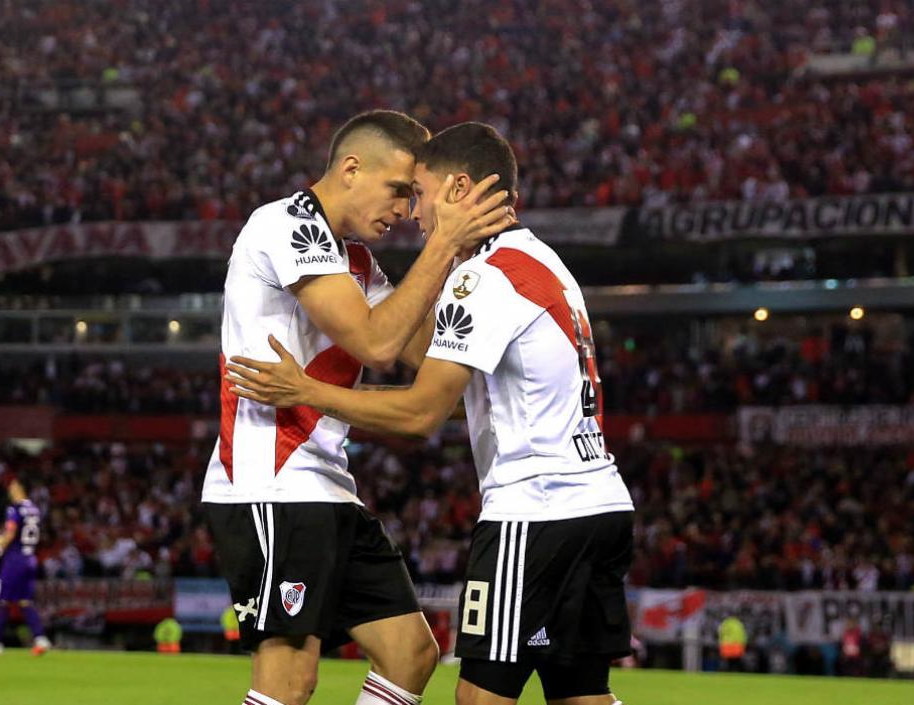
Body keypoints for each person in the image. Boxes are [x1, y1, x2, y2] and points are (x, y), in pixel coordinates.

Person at [226, 122, 635, 705]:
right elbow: (422, 354)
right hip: (600, 502)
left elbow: (414, 398)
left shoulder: (484, 276)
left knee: (476, 698)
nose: (411, 212)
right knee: (576, 690)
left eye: (416, 192)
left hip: (536, 508)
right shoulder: (542, 262)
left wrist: (304, 391)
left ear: (459, 188)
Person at [202, 109, 515, 705]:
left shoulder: (358, 261)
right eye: (399, 190)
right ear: (351, 169)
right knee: (291, 676)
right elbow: (374, 342)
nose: (405, 210)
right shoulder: (286, 224)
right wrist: (444, 242)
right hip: (271, 484)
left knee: (412, 654)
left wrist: (478, 282)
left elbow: (422, 352)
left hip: (325, 488)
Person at [0, 479, 51, 656]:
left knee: (2, 599)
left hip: (15, 560)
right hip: (30, 559)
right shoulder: (35, 510)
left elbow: (10, 534)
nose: (10, 490)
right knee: (24, 601)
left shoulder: (15, 509)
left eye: (13, 487)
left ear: (20, 489)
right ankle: (41, 639)